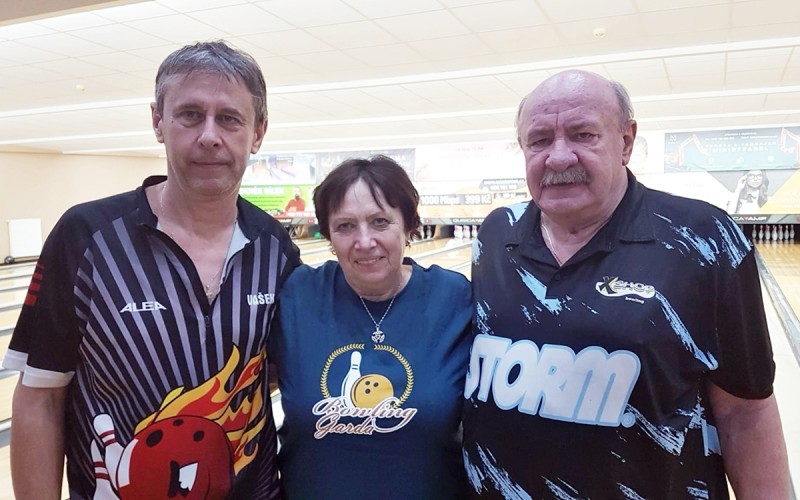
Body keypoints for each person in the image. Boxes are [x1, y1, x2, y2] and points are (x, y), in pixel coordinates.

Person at [462, 70, 790, 498]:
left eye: (583, 135)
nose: (558, 157)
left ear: (626, 141)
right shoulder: (495, 234)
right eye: (539, 140)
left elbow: (746, 412)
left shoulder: (704, 239)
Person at [2, 41, 301, 499]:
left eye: (229, 118)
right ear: (158, 121)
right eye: (190, 114)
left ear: (258, 132)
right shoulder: (86, 236)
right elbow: (40, 397)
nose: (209, 135)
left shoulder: (276, 248)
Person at [270, 155, 472, 499]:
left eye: (380, 222)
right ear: (328, 235)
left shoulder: (454, 297)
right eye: (345, 226)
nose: (364, 242)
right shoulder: (298, 294)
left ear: (409, 225)